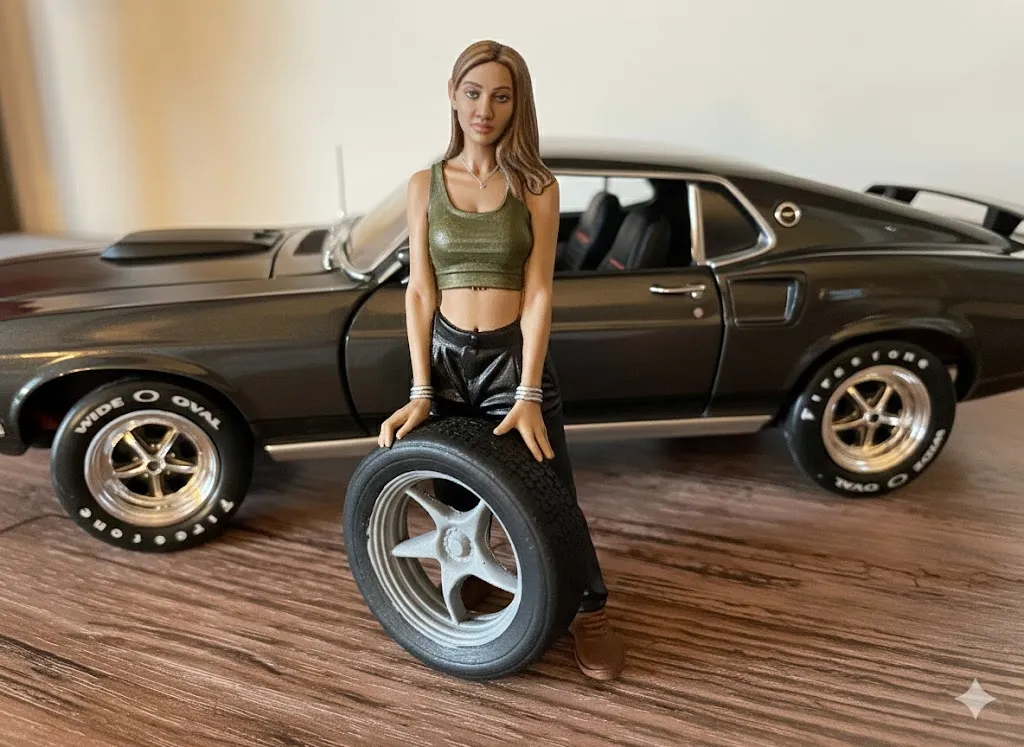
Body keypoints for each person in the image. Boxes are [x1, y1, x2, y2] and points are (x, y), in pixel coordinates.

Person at [377, 39, 625, 682]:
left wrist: (528, 392)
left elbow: (539, 292)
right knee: (455, 489)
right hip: (446, 359)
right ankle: (482, 573)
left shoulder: (536, 186)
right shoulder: (424, 184)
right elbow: (419, 292)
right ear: (453, 96)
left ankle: (590, 610)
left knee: (553, 492)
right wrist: (421, 389)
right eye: (473, 92)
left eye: (500, 96)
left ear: (518, 105)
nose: (484, 108)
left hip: (512, 360)